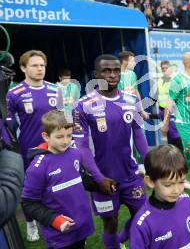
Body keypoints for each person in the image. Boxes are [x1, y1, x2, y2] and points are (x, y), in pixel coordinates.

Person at [72, 54, 149, 248]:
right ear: (96, 74)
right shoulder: (83, 106)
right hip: (103, 179)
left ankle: (123, 237)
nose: (112, 75)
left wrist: (149, 163)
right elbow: (81, 147)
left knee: (143, 217)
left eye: (116, 70)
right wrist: (99, 178)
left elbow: (138, 134)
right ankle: (116, 241)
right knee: (110, 223)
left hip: (131, 175)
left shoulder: (131, 100)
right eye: (106, 71)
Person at [21, 110, 97, 249]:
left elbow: (80, 178)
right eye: (60, 137)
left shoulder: (75, 153)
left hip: (81, 227)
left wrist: (100, 184)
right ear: (46, 136)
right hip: (59, 234)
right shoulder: (37, 167)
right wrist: (56, 220)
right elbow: (28, 203)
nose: (66, 141)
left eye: (69, 135)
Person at [6, 50, 60, 242]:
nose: (39, 69)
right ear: (23, 68)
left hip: (54, 151)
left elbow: (61, 119)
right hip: (28, 153)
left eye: (42, 65)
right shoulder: (14, 94)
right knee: (30, 192)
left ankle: (57, 221)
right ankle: (30, 223)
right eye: (34, 65)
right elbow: (9, 127)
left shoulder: (55, 89)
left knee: (55, 188)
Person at [130, 145, 190, 248]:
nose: (177, 190)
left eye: (181, 182)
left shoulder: (185, 200)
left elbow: (187, 226)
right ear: (150, 182)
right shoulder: (143, 223)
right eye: (168, 185)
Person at [169, 52, 190, 190]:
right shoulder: (177, 80)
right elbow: (170, 101)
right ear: (188, 63)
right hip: (184, 123)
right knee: (189, 152)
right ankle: (182, 177)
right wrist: (165, 123)